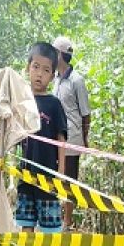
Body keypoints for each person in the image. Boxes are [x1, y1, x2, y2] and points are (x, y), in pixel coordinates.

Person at [6, 42, 69, 246]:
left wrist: (60, 174)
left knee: (53, 225)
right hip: (25, 174)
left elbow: (61, 140)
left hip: (48, 176)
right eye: (35, 67)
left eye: (45, 70)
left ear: (53, 75)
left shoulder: (53, 104)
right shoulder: (22, 103)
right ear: (27, 68)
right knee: (26, 223)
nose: (39, 74)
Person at [51, 36, 91, 231]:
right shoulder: (56, 79)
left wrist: (84, 139)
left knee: (69, 179)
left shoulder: (77, 81)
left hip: (72, 138)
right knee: (55, 176)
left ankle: (67, 221)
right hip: (55, 138)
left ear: (60, 54)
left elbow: (86, 113)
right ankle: (56, 217)